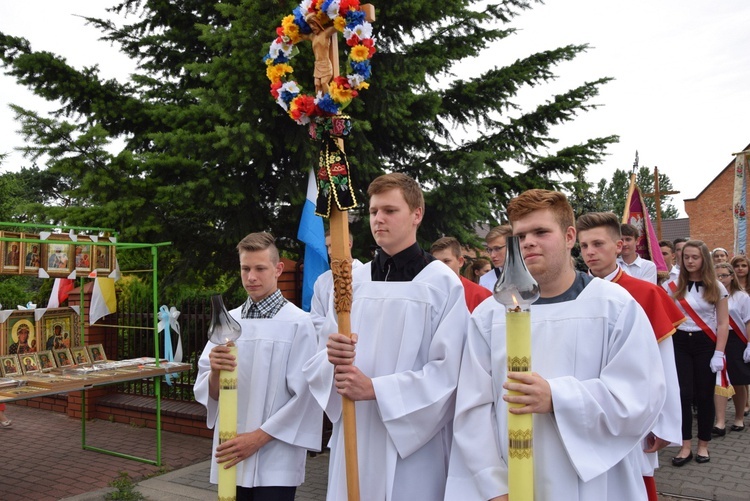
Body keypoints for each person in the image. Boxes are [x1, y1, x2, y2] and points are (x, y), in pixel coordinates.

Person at [446, 190, 665, 500]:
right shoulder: (488, 316)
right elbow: (472, 407)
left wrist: (557, 397)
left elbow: (640, 396)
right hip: (510, 479)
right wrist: (493, 485)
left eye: (541, 232)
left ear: (569, 236)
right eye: (520, 236)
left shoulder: (613, 306)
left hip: (594, 483)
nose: (528, 242)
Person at [303, 173, 468, 500]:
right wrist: (330, 355)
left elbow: (449, 373)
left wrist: (377, 389)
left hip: (412, 444)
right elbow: (319, 356)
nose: (379, 219)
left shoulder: (442, 285)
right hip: (355, 429)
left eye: (390, 210)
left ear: (416, 215)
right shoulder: (352, 282)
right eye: (374, 211)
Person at [194, 232, 322, 500]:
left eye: (260, 268)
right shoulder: (227, 322)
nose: (251, 277)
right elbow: (211, 393)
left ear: (278, 269)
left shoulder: (299, 323)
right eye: (245, 268)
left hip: (276, 455)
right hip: (232, 450)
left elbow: (305, 397)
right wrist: (215, 372)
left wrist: (257, 438)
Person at [577, 212, 685, 501]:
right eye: (583, 245)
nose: (589, 252)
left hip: (630, 410)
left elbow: (664, 364)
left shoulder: (646, 293)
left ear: (619, 245)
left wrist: (665, 422)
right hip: (582, 410)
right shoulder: (570, 294)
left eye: (598, 243)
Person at [663, 240, 729, 466]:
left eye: (695, 257)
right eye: (686, 257)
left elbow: (722, 323)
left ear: (704, 260)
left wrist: (718, 353)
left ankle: (703, 445)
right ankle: (685, 446)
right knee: (682, 395)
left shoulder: (717, 287)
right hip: (679, 341)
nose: (690, 261)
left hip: (705, 343)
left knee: (703, 396)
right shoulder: (670, 286)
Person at [712, 262, 750, 434]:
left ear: (732, 276)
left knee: (738, 381)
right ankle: (719, 421)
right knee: (718, 379)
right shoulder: (710, 294)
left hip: (736, 339)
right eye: (717, 275)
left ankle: (739, 417)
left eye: (724, 276)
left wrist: (749, 343)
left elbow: (748, 321)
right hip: (715, 338)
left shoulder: (742, 297)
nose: (721, 279)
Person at [310, 230, 363, 337]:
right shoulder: (322, 281)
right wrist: (336, 335)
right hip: (330, 344)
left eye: (332, 246)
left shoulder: (366, 275)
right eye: (327, 247)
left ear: (349, 244)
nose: (329, 252)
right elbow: (316, 317)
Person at [431, 236, 492, 312]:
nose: (441, 266)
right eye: (436, 262)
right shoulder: (426, 293)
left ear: (460, 261)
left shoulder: (481, 295)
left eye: (446, 261)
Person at [479, 225, 512, 291]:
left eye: (497, 248)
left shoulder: (532, 273)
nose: (492, 255)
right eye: (490, 250)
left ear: (512, 246)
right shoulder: (485, 281)